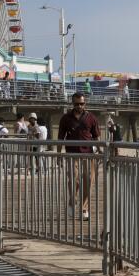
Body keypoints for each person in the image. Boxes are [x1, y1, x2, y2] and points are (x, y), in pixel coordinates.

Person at [58, 91, 99, 220]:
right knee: (73, 179)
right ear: (72, 103)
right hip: (71, 152)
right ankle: (72, 201)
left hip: (88, 154)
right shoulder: (65, 118)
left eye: (82, 103)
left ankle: (84, 208)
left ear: (85, 103)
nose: (80, 106)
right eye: (77, 104)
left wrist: (99, 151)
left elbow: (97, 136)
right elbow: (60, 138)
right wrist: (59, 154)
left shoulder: (91, 117)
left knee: (88, 180)